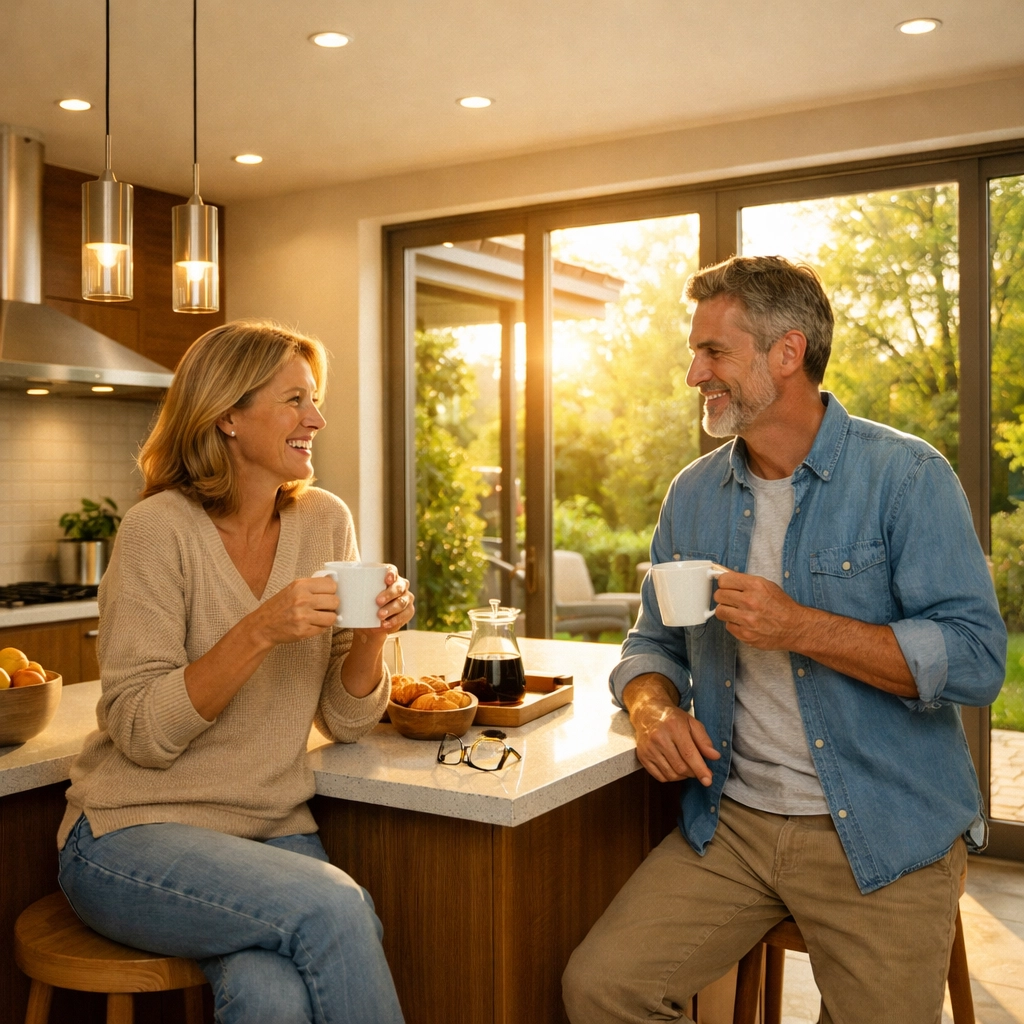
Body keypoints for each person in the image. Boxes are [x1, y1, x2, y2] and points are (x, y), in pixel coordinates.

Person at [563, 256, 1007, 1024]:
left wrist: (799, 626)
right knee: (602, 987)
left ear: (787, 353)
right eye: (695, 353)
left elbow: (976, 658)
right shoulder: (695, 495)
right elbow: (650, 645)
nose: (695, 373)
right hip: (733, 824)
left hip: (884, 825)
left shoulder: (904, 476)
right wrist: (649, 708)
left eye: (714, 353)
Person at [57, 320, 413, 1024]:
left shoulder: (324, 521)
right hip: (130, 835)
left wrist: (371, 637)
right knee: (335, 904)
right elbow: (140, 733)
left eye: (313, 399)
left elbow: (344, 721)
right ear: (227, 416)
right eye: (293, 401)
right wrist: (259, 629)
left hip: (269, 832)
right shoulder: (159, 530)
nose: (316, 418)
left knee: (272, 997)